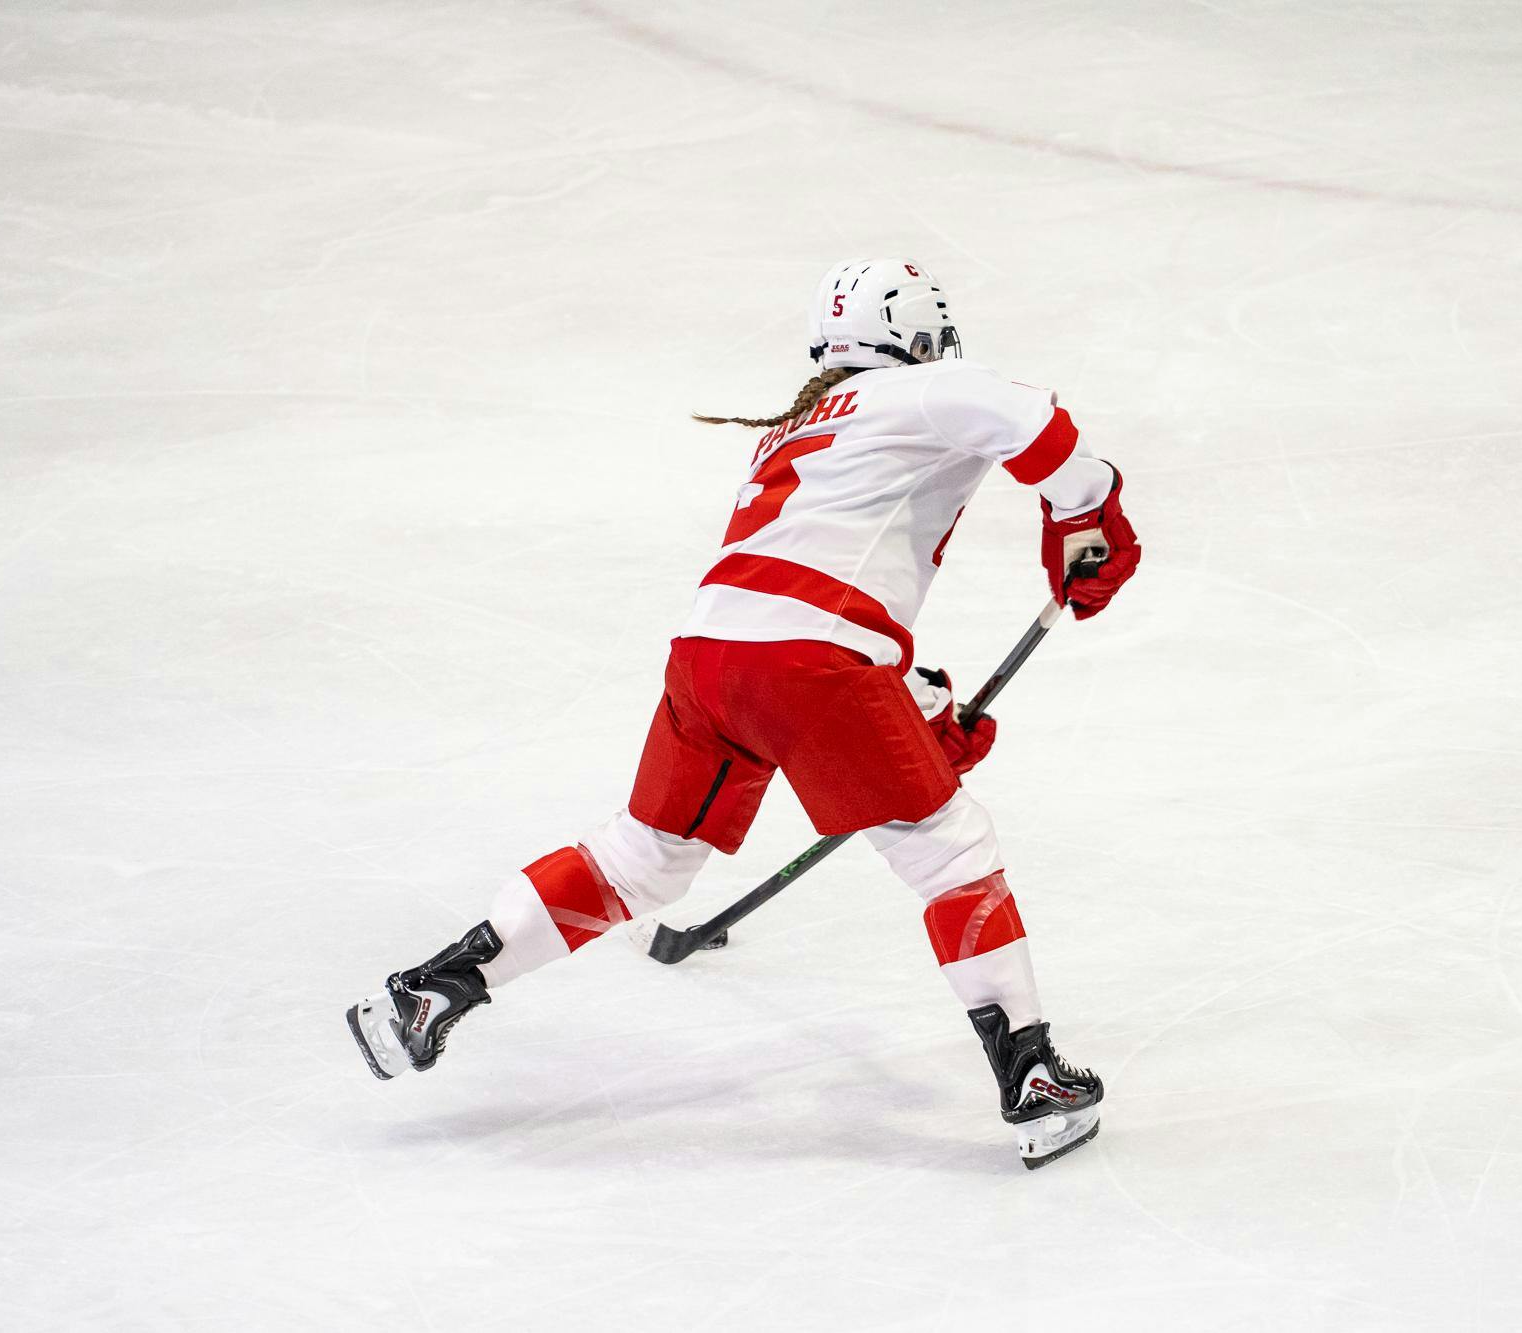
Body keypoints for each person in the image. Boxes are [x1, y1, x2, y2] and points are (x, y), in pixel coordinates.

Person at [346, 259, 1142, 1168]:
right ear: (918, 337)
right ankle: (1032, 1076)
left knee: (640, 858)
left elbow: (802, 597)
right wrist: (1087, 514)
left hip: (708, 662)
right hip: (817, 665)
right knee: (950, 852)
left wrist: (916, 710)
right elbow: (1036, 420)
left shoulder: (794, 428)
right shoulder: (926, 390)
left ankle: (431, 987)